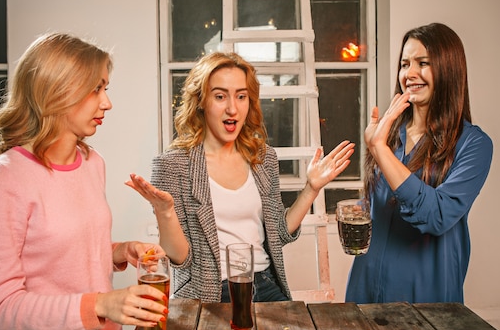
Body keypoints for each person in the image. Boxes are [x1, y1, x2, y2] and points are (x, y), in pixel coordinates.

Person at [0, 33, 168, 330]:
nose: (107, 103)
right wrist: (102, 305)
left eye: (106, 88)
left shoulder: (92, 162)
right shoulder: (0, 181)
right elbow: (2, 308)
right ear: (56, 90)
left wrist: (119, 251)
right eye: (96, 89)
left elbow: (67, 254)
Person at [127, 51, 355, 303]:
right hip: (210, 293)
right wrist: (165, 211)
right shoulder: (172, 164)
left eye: (241, 96)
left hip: (265, 284)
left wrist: (311, 188)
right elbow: (181, 259)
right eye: (220, 96)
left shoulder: (263, 158)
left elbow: (278, 233)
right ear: (201, 101)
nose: (232, 108)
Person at [345, 23, 493, 304]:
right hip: (366, 285)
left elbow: (437, 216)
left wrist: (379, 150)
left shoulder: (474, 145)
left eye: (422, 63)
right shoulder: (388, 135)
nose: (409, 74)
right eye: (404, 64)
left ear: (449, 69)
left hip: (424, 294)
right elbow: (378, 205)